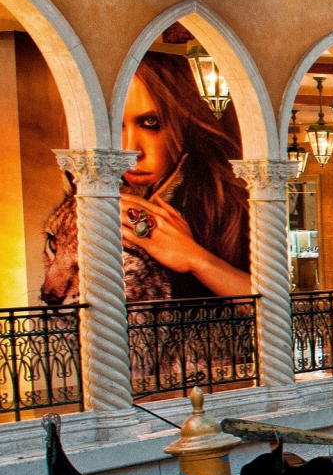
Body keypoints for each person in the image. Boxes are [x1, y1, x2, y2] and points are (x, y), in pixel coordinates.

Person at [40, 52, 251, 304]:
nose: (130, 151)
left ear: (190, 124)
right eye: (114, 126)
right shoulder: (90, 198)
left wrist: (195, 259)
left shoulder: (237, 207)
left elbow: (281, 313)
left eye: (151, 122)